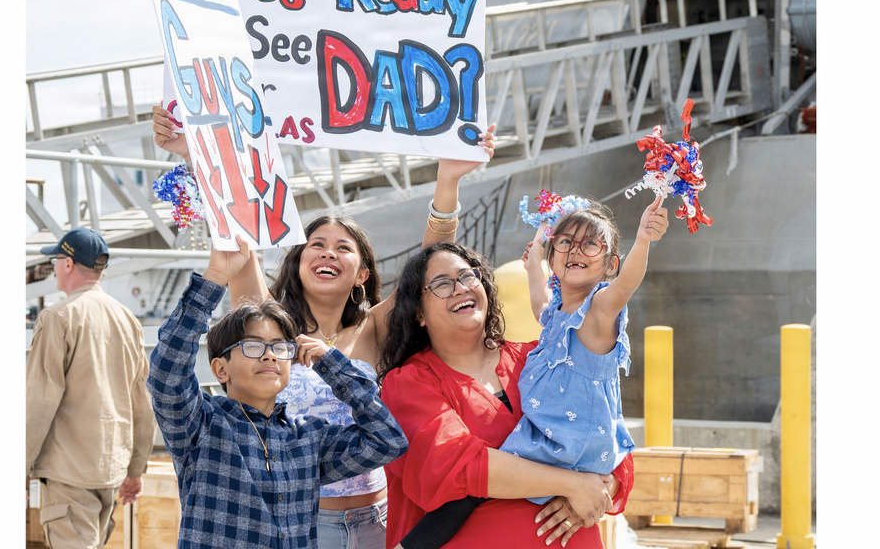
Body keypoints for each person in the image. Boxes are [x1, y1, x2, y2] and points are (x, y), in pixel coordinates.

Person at [152, 104, 495, 549]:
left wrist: (448, 181)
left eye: (343, 248)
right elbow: (235, 235)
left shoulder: (377, 328)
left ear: (363, 274)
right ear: (297, 264)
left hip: (374, 521)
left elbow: (434, 261)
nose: (328, 253)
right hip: (297, 523)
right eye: (316, 245)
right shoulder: (267, 325)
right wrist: (195, 153)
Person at [391, 195, 669, 549]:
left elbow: (607, 438)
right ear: (418, 312)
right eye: (442, 284)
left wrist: (601, 486)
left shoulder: (536, 359)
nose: (460, 287)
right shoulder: (410, 383)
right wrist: (571, 484)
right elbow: (459, 467)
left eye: (467, 276)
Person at [146, 244, 409, 548]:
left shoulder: (308, 437)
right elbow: (167, 371)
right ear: (220, 369)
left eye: (280, 347)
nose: (270, 355)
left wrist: (332, 365)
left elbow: (387, 441)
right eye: (254, 346)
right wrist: (215, 277)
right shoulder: (201, 425)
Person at [26, 227, 156, 549]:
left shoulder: (58, 317)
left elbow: (39, 401)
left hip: (70, 473)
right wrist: (136, 469)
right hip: (109, 472)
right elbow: (142, 400)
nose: (54, 267)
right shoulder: (127, 319)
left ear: (68, 264)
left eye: (56, 260)